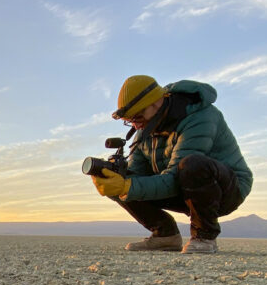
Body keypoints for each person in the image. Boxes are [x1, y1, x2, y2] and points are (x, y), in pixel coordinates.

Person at [90, 75, 253, 254]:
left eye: (137, 117)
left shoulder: (200, 116)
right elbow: (136, 175)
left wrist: (128, 186)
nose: (136, 126)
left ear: (155, 103)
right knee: (119, 179)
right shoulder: (145, 130)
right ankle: (165, 235)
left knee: (192, 165)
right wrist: (119, 182)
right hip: (182, 188)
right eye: (130, 121)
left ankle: (204, 236)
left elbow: (175, 176)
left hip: (226, 189)